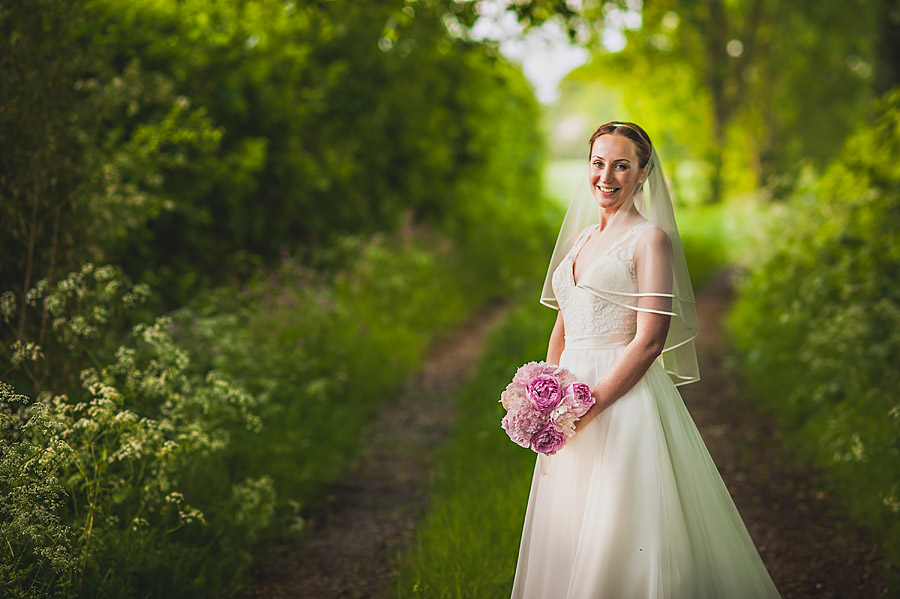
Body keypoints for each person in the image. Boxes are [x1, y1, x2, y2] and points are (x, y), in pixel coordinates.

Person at [510, 122, 781, 598]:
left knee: (621, 530)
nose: (606, 176)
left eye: (621, 165)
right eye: (598, 163)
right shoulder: (579, 241)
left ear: (642, 172)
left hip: (620, 399)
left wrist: (587, 408)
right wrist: (546, 394)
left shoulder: (649, 239)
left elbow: (650, 341)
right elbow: (565, 321)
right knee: (570, 525)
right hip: (569, 404)